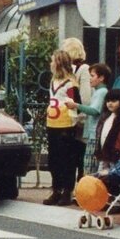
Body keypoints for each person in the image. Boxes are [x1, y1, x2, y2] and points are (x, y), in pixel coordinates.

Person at [42, 49, 82, 205]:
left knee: (67, 159)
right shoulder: (53, 81)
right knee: (54, 159)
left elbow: (76, 104)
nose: (51, 64)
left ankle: (67, 190)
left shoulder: (71, 84)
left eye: (53, 61)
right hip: (52, 123)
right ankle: (56, 189)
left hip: (66, 124)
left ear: (58, 63)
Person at [93, 88, 120, 184]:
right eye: (108, 101)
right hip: (104, 156)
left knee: (112, 182)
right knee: (100, 181)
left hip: (117, 157)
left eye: (114, 101)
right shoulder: (105, 117)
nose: (110, 104)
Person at [76, 62, 111, 175]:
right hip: (93, 133)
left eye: (92, 76)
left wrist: (76, 106)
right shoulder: (98, 92)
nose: (90, 79)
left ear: (101, 78)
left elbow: (94, 110)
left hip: (95, 134)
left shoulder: (101, 92)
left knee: (89, 167)